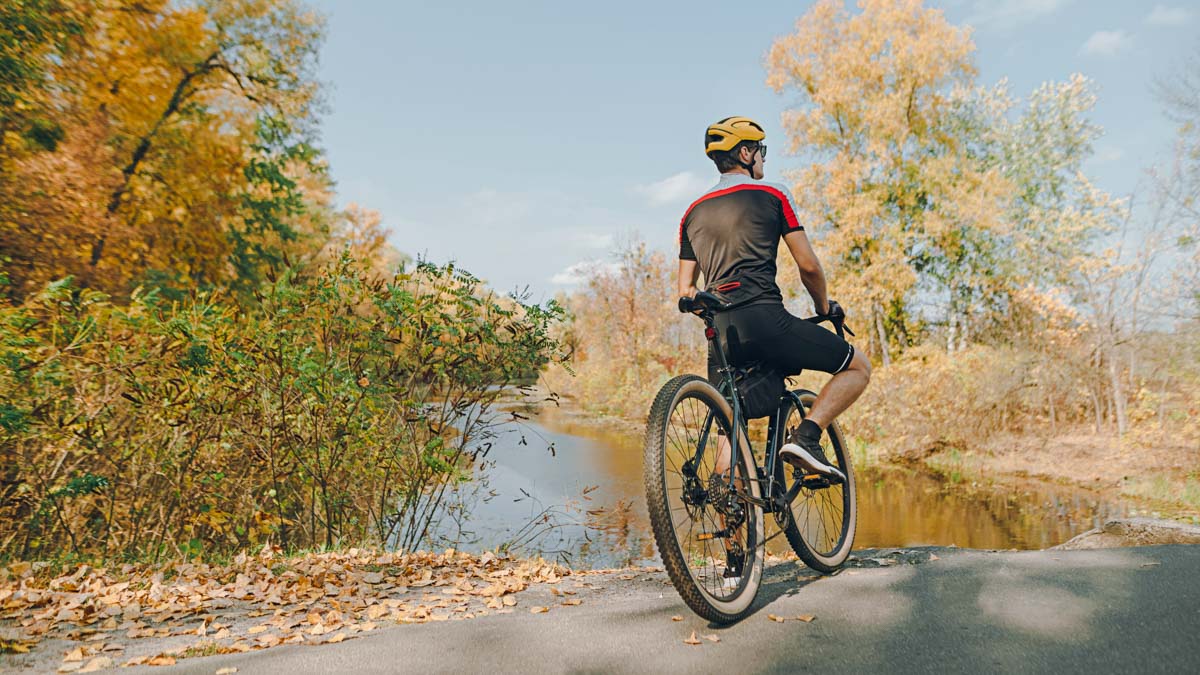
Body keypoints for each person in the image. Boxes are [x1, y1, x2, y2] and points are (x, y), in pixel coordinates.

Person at [678, 116, 871, 484]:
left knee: (727, 428)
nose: (763, 158)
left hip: (719, 332)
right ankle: (807, 438)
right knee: (858, 366)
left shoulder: (692, 213)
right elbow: (809, 266)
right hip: (765, 319)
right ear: (746, 153)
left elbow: (685, 290)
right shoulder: (773, 195)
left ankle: (736, 538)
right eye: (761, 150)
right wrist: (823, 307)